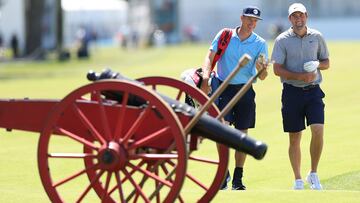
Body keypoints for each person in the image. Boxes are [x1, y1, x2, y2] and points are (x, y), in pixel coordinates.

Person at [201, 6, 269, 190]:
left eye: (255, 21)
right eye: (249, 19)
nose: (252, 24)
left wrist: (262, 69)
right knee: (221, 130)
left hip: (245, 90)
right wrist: (206, 77)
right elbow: (210, 56)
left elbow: (262, 76)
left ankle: (238, 178)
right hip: (222, 87)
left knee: (241, 134)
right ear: (241, 18)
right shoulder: (225, 35)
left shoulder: (260, 43)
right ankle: (224, 173)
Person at [271, 3, 330, 190]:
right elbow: (276, 69)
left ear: (306, 16)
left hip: (313, 91)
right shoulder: (282, 40)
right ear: (290, 19)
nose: (299, 19)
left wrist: (316, 65)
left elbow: (327, 62)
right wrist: (299, 76)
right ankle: (297, 179)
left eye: (301, 15)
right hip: (291, 92)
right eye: (295, 16)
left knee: (318, 130)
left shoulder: (317, 36)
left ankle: (313, 173)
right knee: (295, 137)